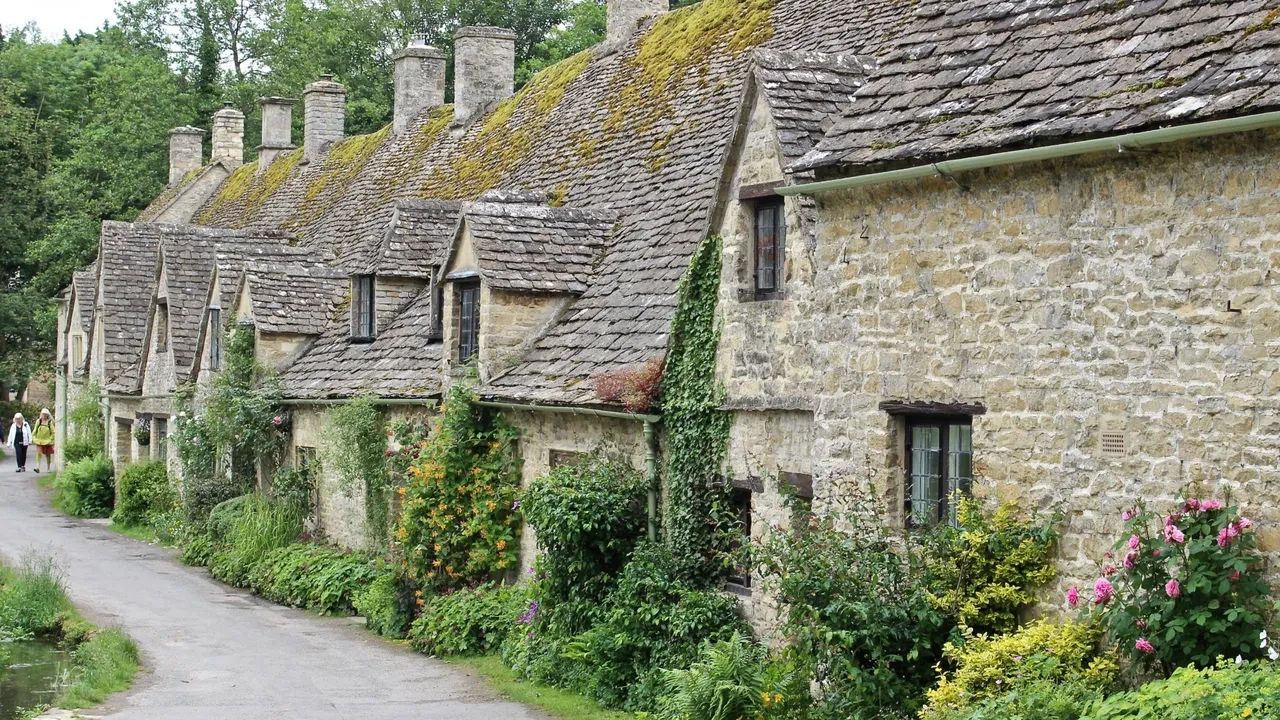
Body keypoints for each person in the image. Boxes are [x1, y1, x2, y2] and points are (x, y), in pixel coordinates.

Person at [31, 408, 55, 474]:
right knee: (39, 453)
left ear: (47, 415)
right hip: (39, 441)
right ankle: (37, 467)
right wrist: (33, 437)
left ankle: (48, 467)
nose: (44, 416)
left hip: (47, 441)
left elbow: (53, 432)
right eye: (43, 414)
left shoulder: (50, 422)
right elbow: (35, 430)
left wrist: (51, 439)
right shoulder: (38, 421)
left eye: (45, 414)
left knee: (48, 455)